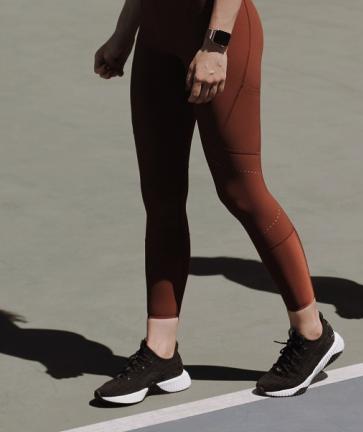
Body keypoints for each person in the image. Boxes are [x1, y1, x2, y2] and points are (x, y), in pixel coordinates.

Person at [91, 0, 343, 403]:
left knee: (242, 191)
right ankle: (161, 351)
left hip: (216, 33)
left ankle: (312, 333)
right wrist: (124, 33)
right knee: (160, 195)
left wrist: (215, 44)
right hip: (157, 38)